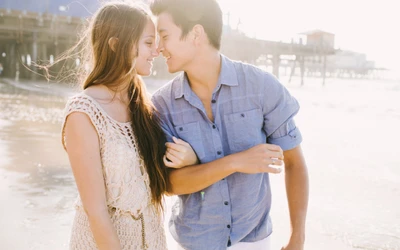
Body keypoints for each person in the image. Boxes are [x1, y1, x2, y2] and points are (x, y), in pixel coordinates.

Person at [150, 0, 309, 250]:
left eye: (165, 36)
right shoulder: (162, 104)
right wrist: (235, 162)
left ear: (196, 33)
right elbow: (169, 185)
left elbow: (294, 163)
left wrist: (297, 238)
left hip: (254, 239)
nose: (158, 48)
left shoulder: (261, 87)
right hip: (193, 242)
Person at [60, 2, 197, 250]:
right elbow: (96, 211)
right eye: (147, 42)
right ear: (115, 45)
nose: (156, 50)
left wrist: (190, 159)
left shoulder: (144, 105)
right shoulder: (84, 112)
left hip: (151, 240)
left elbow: (156, 184)